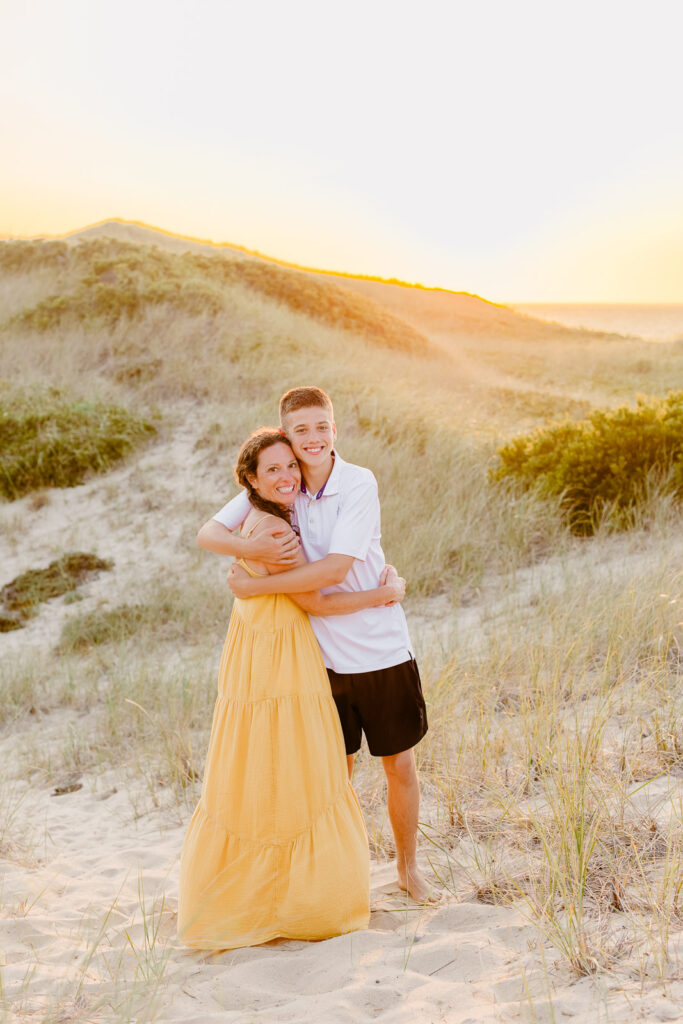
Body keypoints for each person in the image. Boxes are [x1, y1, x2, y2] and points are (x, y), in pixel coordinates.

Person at [178, 428, 407, 951]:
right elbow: (320, 603)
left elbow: (210, 533)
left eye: (289, 467)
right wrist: (386, 592)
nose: (285, 476)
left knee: (259, 764)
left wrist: (245, 568)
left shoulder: (261, 514)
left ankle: (259, 894)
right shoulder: (278, 532)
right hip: (282, 651)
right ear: (252, 481)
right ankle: (298, 900)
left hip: (254, 647)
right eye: (273, 470)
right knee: (301, 769)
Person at [202, 387, 432, 902]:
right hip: (319, 659)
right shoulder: (279, 480)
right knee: (333, 775)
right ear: (286, 433)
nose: (312, 438)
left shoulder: (357, 482)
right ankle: (340, 875)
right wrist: (249, 548)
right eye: (300, 429)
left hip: (379, 647)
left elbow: (334, 571)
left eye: (321, 426)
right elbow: (210, 532)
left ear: (335, 429)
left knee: (398, 765)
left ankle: (407, 867)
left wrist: (255, 583)